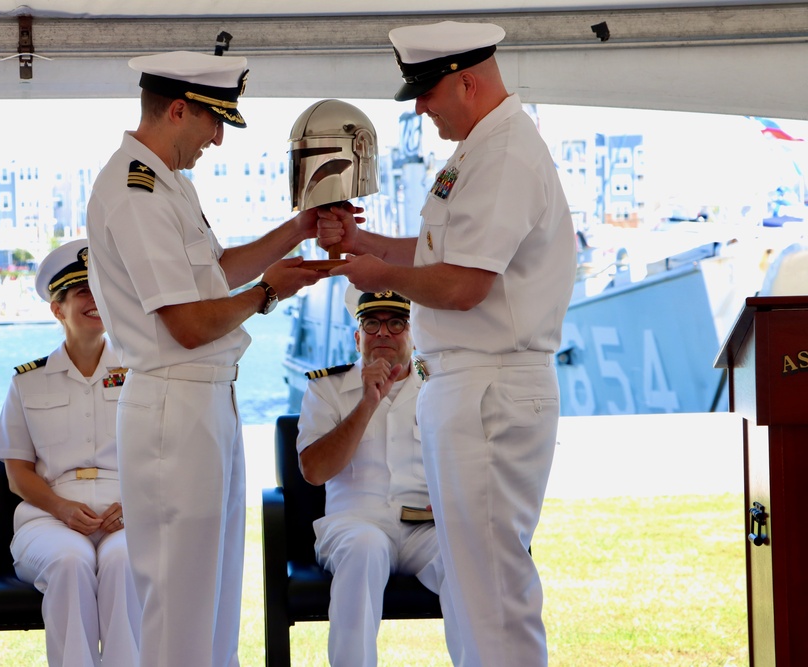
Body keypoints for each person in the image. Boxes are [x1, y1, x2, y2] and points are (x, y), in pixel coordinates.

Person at [85, 50, 358, 666]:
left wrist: (299, 229)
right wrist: (268, 294)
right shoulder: (137, 189)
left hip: (202, 400)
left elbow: (212, 274)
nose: (216, 139)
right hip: (174, 404)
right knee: (180, 604)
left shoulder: (167, 180)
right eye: (213, 123)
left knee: (212, 595)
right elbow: (184, 324)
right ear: (178, 110)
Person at [320, 21, 577, 667]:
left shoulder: (505, 153)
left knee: (490, 590)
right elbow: (444, 254)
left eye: (428, 90)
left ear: (467, 79)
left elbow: (464, 286)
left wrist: (381, 276)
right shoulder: (482, 149)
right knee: (474, 587)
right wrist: (366, 246)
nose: (420, 106)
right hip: (469, 385)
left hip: (489, 386)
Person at [0, 239, 141, 667]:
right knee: (71, 562)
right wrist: (61, 507)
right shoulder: (27, 382)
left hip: (125, 514)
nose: (95, 301)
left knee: (123, 563)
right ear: (58, 310)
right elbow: (17, 472)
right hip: (49, 519)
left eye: (101, 289)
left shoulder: (142, 374)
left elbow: (161, 454)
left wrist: (132, 505)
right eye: (82, 292)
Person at [297, 289, 457, 667]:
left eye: (396, 323)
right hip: (355, 524)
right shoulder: (326, 389)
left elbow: (464, 459)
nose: (383, 332)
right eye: (372, 323)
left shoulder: (440, 387)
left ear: (413, 333)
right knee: (364, 548)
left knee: (467, 558)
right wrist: (367, 401)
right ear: (358, 337)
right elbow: (314, 471)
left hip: (425, 527)